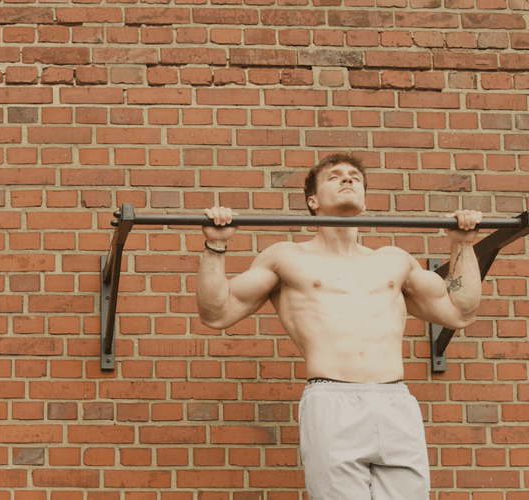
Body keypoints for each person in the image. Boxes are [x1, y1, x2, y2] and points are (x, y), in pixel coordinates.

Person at [195, 154, 483, 500]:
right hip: (332, 399)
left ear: (364, 198)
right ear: (312, 201)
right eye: (334, 176)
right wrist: (216, 244)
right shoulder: (287, 258)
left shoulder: (394, 260)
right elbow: (217, 313)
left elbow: (460, 312)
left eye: (354, 177)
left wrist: (462, 245)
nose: (347, 180)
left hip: (395, 401)